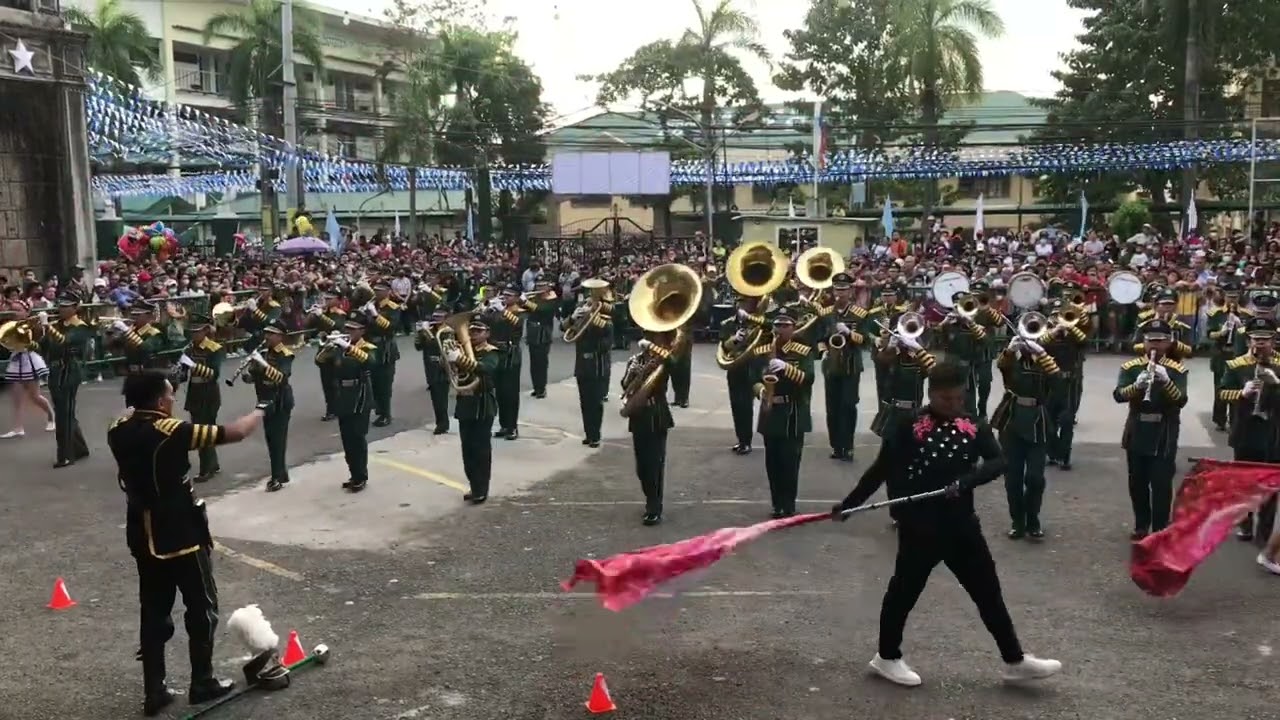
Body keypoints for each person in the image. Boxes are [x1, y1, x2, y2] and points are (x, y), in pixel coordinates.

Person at [831, 361, 1061, 688]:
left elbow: (998, 461)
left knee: (988, 593)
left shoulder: (973, 424)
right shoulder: (907, 425)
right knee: (903, 593)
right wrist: (850, 505)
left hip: (962, 526)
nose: (953, 406)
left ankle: (1014, 660)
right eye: (945, 400)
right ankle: (886, 657)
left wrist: (968, 481)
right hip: (920, 526)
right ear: (931, 395)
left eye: (958, 399)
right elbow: (880, 470)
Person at [108, 370, 265, 716]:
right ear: (162, 401)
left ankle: (155, 690)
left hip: (141, 528)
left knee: (153, 610)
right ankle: (202, 681)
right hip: (180, 529)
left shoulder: (116, 428)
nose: (173, 401)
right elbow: (234, 432)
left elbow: (131, 419)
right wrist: (261, 409)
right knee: (202, 606)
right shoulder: (171, 430)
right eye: (170, 395)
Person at [1112, 319, 1188, 539]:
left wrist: (1166, 382)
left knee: (1161, 482)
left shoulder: (1176, 370)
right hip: (1137, 426)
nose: (1154, 346)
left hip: (1164, 429)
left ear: (1168, 342)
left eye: (1160, 341)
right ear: (1143, 342)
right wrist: (1136, 387)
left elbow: (1181, 400)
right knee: (1137, 481)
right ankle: (1141, 524)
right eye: (1150, 341)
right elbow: (1118, 395)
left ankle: (1160, 527)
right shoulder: (1131, 367)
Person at [990, 327, 1061, 539]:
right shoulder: (1014, 362)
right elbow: (1002, 366)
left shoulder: (1047, 362)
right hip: (1012, 420)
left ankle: (1033, 519)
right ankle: (1017, 522)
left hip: (1037, 421)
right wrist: (1011, 350)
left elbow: (1058, 383)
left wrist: (1043, 354)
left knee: (1035, 478)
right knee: (1012, 477)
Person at [1218, 317, 1280, 542]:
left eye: (1266, 339)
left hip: (1272, 433)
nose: (1260, 344)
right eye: (1256, 339)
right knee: (1244, 482)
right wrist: (1241, 394)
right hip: (1245, 431)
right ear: (1248, 340)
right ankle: (1245, 524)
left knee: (1270, 486)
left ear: (1274, 340)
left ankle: (1264, 530)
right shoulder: (1236, 365)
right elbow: (1222, 393)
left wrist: (1276, 384)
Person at [752, 310, 814, 518]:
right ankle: (776, 503)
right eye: (777, 325)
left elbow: (809, 379)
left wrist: (786, 367)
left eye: (785, 325)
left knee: (790, 461)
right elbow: (753, 377)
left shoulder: (802, 351)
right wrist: (761, 391)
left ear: (794, 328)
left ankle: (789, 503)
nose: (780, 329)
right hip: (771, 410)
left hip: (792, 412)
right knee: (773, 461)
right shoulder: (763, 350)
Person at [622, 331, 679, 525]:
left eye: (657, 338)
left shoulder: (664, 361)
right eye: (650, 338)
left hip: (657, 415)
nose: (653, 341)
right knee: (642, 467)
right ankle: (650, 497)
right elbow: (625, 385)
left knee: (655, 464)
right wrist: (636, 372)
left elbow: (675, 364)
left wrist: (658, 353)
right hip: (639, 416)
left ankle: (654, 506)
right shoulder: (635, 360)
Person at [317, 319, 377, 491]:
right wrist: (328, 347)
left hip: (360, 396)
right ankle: (353, 474)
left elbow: (369, 362)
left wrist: (346, 346)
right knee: (347, 440)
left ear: (362, 331)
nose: (349, 331)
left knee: (357, 438)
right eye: (347, 328)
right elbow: (319, 361)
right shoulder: (338, 349)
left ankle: (361, 476)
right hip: (342, 396)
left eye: (353, 329)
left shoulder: (367, 348)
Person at [447, 317, 500, 503]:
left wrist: (460, 359)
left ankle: (481, 489)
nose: (473, 334)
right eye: (471, 331)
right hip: (465, 404)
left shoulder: (491, 352)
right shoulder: (461, 349)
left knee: (481, 450)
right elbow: (447, 370)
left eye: (478, 331)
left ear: (487, 334)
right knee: (467, 449)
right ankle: (474, 485)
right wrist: (449, 359)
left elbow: (486, 369)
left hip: (483, 404)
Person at [819, 272, 869, 461]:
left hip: (850, 365)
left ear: (850, 291)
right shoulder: (825, 314)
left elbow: (865, 341)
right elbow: (819, 338)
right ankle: (836, 446)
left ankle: (847, 446)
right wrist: (823, 350)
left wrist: (849, 333)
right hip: (831, 365)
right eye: (837, 289)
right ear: (833, 291)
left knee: (848, 406)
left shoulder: (860, 314)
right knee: (832, 407)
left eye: (844, 289)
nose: (840, 293)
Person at [39, 293, 92, 465]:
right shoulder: (58, 324)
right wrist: (38, 332)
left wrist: (48, 326)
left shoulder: (81, 326)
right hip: (55, 370)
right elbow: (43, 346)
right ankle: (80, 448)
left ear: (75, 307)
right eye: (60, 305)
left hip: (69, 370)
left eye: (66, 305)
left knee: (64, 413)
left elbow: (65, 341)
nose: (61, 309)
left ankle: (66, 455)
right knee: (65, 411)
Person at [242, 325, 294, 491]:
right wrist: (248, 376)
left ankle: (276, 477)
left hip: (280, 401)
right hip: (265, 400)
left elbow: (281, 377)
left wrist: (262, 364)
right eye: (267, 333)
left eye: (272, 334)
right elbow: (256, 376)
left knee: (278, 440)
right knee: (271, 439)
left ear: (280, 336)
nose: (267, 336)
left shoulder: (286, 354)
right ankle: (281, 473)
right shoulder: (264, 352)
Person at [718, 294, 770, 455]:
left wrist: (752, 319)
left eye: (747, 302)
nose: (743, 305)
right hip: (736, 367)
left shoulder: (760, 322)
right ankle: (743, 439)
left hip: (755, 366)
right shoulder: (728, 324)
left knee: (758, 403)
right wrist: (735, 339)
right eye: (740, 302)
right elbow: (723, 347)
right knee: (738, 405)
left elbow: (771, 328)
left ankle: (767, 437)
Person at [1043, 299, 1089, 470]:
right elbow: (1040, 343)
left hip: (1069, 382)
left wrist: (1070, 328)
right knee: (1049, 420)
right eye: (1054, 315)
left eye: (1059, 315)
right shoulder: (1046, 333)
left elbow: (1084, 341)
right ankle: (1053, 453)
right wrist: (1055, 331)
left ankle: (1065, 456)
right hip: (1049, 382)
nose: (1058, 319)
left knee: (1067, 420)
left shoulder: (1074, 334)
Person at [178, 315, 225, 482]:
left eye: (197, 331)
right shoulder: (189, 349)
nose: (194, 335)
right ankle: (213, 464)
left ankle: (207, 469)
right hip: (194, 393)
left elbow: (214, 374)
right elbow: (183, 376)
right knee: (202, 430)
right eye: (192, 332)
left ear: (205, 331)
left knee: (203, 432)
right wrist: (178, 373)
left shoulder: (215, 349)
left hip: (209, 393)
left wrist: (193, 366)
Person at [567, 284, 613, 448]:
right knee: (584, 402)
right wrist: (574, 317)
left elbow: (606, 343)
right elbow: (565, 329)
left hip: (596, 366)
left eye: (592, 301)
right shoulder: (581, 316)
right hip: (582, 365)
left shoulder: (604, 320)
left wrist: (592, 318)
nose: (588, 303)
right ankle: (588, 433)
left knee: (595, 403)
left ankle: (595, 435)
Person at [932, 292, 988, 416]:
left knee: (968, 398)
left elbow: (983, 340)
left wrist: (971, 323)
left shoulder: (975, 326)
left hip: (968, 367)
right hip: (951, 367)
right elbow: (935, 340)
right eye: (956, 306)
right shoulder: (949, 325)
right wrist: (943, 323)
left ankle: (971, 423)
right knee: (949, 395)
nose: (959, 311)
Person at [487, 285, 525, 439]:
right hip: (496, 354)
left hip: (511, 355)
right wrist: (486, 309)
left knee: (511, 394)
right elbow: (487, 325)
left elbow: (518, 324)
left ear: (517, 297)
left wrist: (501, 311)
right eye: (504, 295)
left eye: (509, 295)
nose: (505, 298)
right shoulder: (497, 311)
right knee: (500, 393)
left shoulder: (519, 312)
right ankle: (503, 425)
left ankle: (512, 427)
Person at [364, 281, 402, 427]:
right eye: (375, 290)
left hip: (385, 348)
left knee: (384, 384)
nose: (377, 293)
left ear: (388, 292)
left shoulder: (392, 307)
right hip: (371, 346)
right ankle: (379, 410)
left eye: (380, 290)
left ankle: (386, 414)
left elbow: (390, 327)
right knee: (373, 382)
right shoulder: (371, 305)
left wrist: (375, 315)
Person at [308, 291, 347, 421]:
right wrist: (312, 316)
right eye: (326, 298)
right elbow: (311, 329)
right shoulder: (323, 313)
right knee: (326, 382)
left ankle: (340, 408)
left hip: (336, 350)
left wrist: (321, 316)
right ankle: (330, 409)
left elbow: (337, 327)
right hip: (324, 350)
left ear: (337, 300)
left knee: (336, 382)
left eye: (330, 298)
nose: (327, 300)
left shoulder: (340, 314)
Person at [413, 308, 451, 434]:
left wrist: (426, 332)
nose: (436, 320)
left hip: (443, 367)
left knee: (441, 397)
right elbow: (418, 347)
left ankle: (443, 423)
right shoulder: (429, 330)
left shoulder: (448, 331)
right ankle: (440, 421)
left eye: (440, 317)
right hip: (430, 366)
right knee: (435, 396)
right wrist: (419, 333)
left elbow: (438, 345)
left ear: (446, 318)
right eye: (435, 317)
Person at [523, 280, 558, 399]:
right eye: (538, 285)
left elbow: (542, 309)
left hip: (543, 334)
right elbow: (527, 310)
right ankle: (536, 387)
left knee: (541, 363)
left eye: (543, 285)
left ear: (548, 287)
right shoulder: (534, 297)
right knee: (533, 363)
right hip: (533, 332)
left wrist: (526, 301)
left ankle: (541, 388)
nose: (540, 288)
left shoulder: (552, 298)